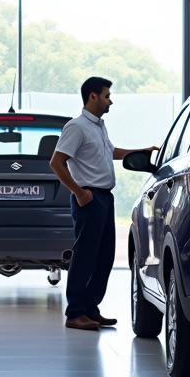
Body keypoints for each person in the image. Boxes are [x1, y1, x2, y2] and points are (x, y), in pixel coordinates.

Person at [50, 76, 157, 332]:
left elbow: (111, 152)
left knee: (104, 257)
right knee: (86, 256)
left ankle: (90, 309)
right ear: (92, 96)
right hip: (89, 198)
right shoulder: (76, 127)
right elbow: (56, 162)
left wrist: (142, 151)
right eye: (107, 95)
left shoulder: (98, 126)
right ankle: (75, 312)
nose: (111, 101)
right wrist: (78, 192)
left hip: (104, 199)